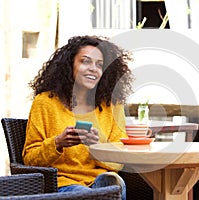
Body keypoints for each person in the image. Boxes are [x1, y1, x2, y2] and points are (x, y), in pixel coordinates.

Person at [22, 35, 134, 200]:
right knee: (90, 195)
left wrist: (96, 147)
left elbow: (118, 161)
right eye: (85, 61)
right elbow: (30, 160)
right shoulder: (45, 102)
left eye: (99, 65)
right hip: (61, 184)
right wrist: (58, 143)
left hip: (102, 181)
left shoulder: (112, 105)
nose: (93, 69)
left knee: (111, 184)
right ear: (69, 65)